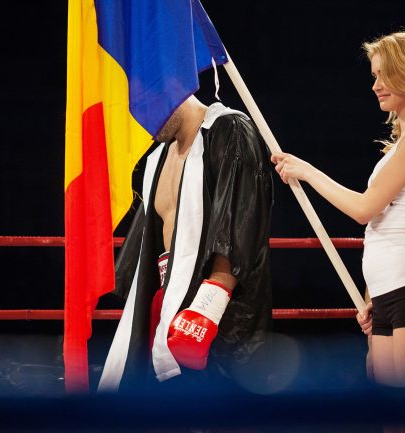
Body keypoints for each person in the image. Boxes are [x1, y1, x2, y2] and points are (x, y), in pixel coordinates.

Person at [273, 31, 405, 386]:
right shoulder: (404, 144)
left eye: (382, 75)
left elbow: (364, 210)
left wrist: (308, 171)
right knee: (392, 419)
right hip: (391, 296)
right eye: (374, 76)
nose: (375, 85)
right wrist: (376, 293)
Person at [98, 96, 274, 392]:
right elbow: (148, 251)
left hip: (216, 318)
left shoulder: (230, 130)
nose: (142, 120)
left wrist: (207, 310)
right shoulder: (158, 159)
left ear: (172, 87)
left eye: (144, 106)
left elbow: (240, 223)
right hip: (166, 308)